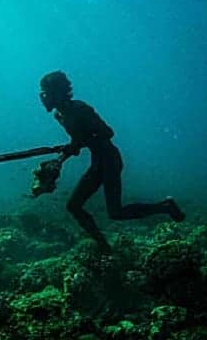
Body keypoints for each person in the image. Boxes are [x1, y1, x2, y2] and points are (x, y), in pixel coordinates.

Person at [40, 71, 185, 253]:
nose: (42, 97)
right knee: (74, 206)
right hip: (98, 162)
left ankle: (165, 207)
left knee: (115, 212)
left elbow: (107, 133)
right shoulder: (60, 115)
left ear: (57, 92)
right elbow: (79, 140)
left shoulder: (79, 109)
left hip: (109, 161)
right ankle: (104, 246)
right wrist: (65, 154)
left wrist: (79, 143)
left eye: (45, 91)